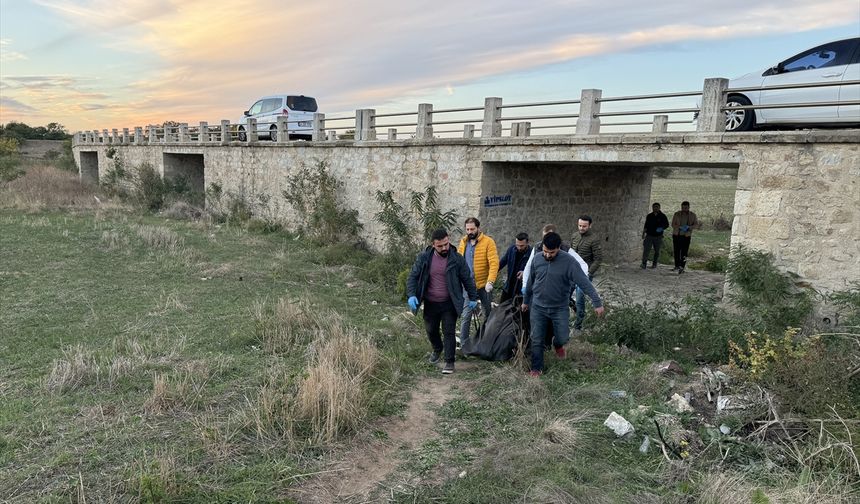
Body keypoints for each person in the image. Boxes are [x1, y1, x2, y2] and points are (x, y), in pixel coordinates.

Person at [522, 232, 604, 376]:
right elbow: (530, 283)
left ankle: (558, 344)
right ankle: (536, 369)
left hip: (559, 308)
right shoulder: (537, 259)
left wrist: (597, 302)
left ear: (559, 248)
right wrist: (525, 301)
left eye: (551, 252)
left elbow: (584, 283)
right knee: (536, 338)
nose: (547, 255)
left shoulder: (569, 262)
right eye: (545, 251)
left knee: (563, 336)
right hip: (538, 307)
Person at [406, 229, 478, 374]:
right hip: (431, 302)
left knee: (449, 331)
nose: (444, 248)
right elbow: (413, 276)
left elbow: (467, 279)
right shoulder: (424, 258)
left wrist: (473, 297)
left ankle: (449, 361)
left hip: (449, 302)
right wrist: (412, 294)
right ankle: (437, 349)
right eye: (440, 246)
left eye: (446, 244)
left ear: (448, 240)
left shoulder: (457, 259)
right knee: (431, 330)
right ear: (433, 245)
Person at [456, 217, 499, 351]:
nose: (470, 232)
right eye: (467, 229)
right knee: (466, 315)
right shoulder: (463, 242)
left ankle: (486, 341)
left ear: (478, 228)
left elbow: (494, 263)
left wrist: (490, 281)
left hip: (484, 285)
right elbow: (458, 262)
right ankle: (465, 346)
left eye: (472, 229)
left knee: (487, 312)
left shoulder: (488, 242)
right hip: (468, 287)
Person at [571, 215, 603, 332]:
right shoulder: (574, 236)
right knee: (566, 295)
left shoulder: (594, 239)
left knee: (580, 298)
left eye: (584, 226)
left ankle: (578, 325)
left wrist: (589, 273)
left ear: (590, 226)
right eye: (580, 225)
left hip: (585, 274)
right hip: (572, 272)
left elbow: (598, 259)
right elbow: (571, 253)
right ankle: (573, 314)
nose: (581, 228)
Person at [498, 232, 531, 303]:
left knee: (517, 311)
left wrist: (524, 273)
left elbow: (534, 271)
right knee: (501, 308)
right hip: (509, 286)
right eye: (517, 245)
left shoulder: (532, 254)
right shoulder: (511, 249)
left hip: (521, 289)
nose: (519, 247)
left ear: (527, 243)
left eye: (522, 246)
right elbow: (502, 262)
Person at [671, 201, 701, 274]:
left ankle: (682, 267)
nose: (684, 209)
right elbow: (672, 224)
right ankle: (676, 265)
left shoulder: (693, 215)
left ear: (688, 207)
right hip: (677, 235)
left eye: (686, 208)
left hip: (686, 236)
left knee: (684, 252)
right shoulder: (677, 214)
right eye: (683, 207)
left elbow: (696, 225)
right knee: (676, 251)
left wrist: (689, 227)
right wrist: (679, 227)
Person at [641, 202, 669, 269]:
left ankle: (654, 264)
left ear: (659, 208)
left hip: (658, 236)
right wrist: (643, 233)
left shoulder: (663, 216)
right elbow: (646, 225)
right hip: (649, 235)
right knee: (646, 250)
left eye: (657, 207)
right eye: (654, 207)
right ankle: (644, 263)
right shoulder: (649, 216)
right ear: (652, 208)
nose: (655, 208)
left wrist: (662, 228)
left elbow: (667, 225)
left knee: (657, 251)